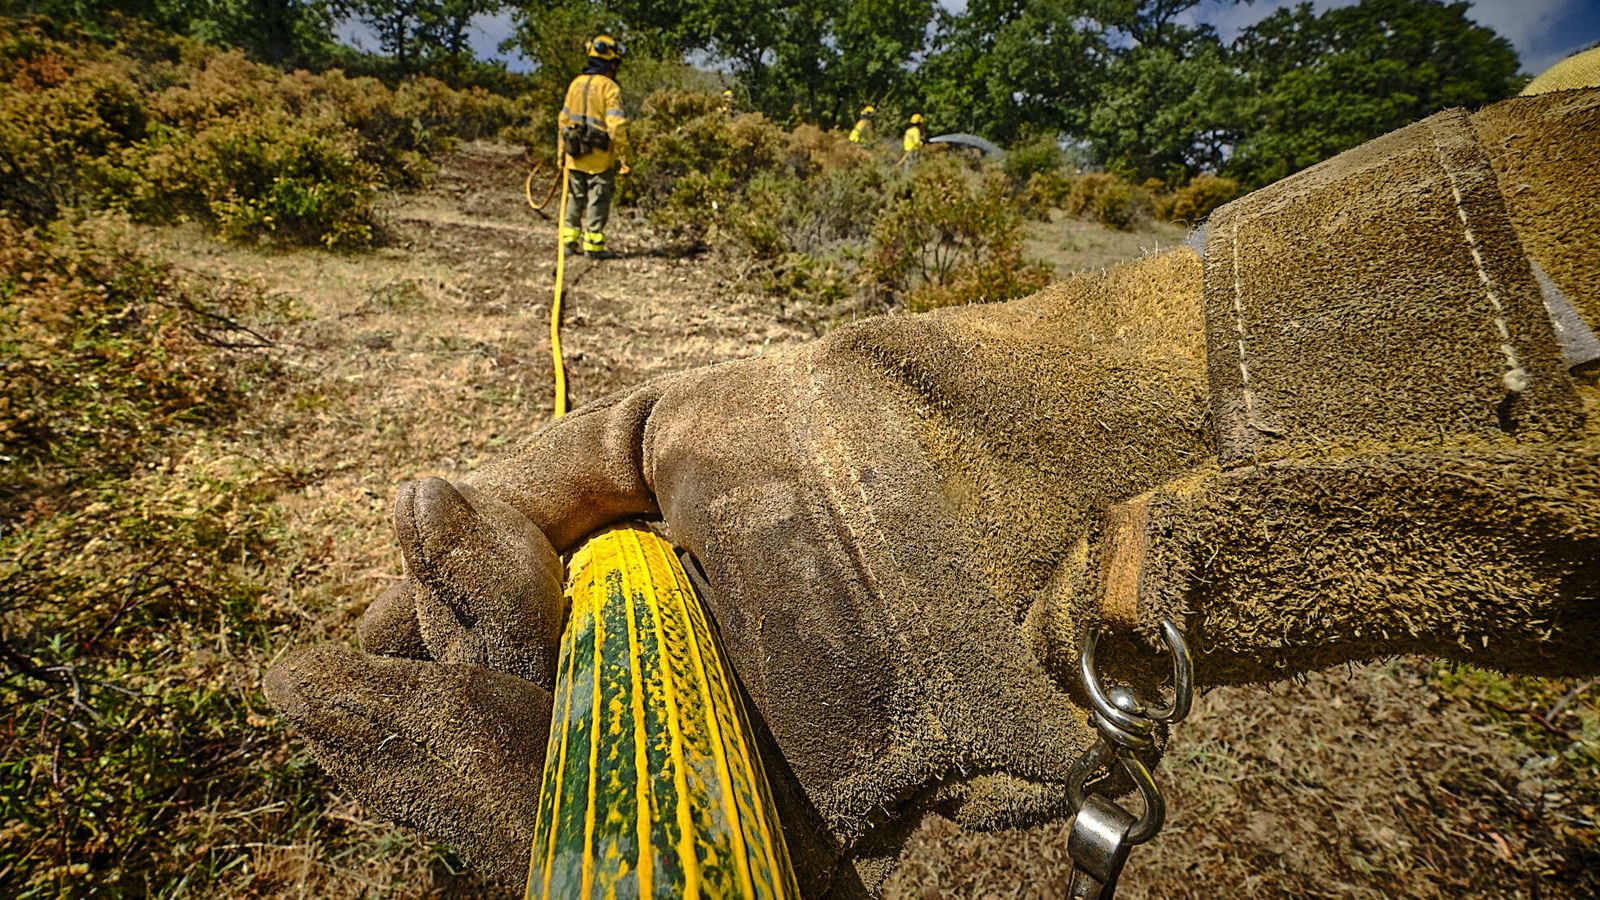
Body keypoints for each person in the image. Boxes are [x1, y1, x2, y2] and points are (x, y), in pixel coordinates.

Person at [265, 66, 1600, 896]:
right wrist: (919, 478)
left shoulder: (595, 99)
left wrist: (891, 497)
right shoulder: (591, 103)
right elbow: (1539, 216)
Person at [558, 35, 629, 259]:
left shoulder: (575, 84)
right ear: (611, 63)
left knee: (574, 197)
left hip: (575, 156)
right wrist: (625, 159)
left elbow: (563, 121)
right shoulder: (610, 88)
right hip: (600, 158)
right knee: (598, 198)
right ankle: (593, 246)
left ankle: (569, 242)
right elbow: (616, 127)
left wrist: (561, 155)